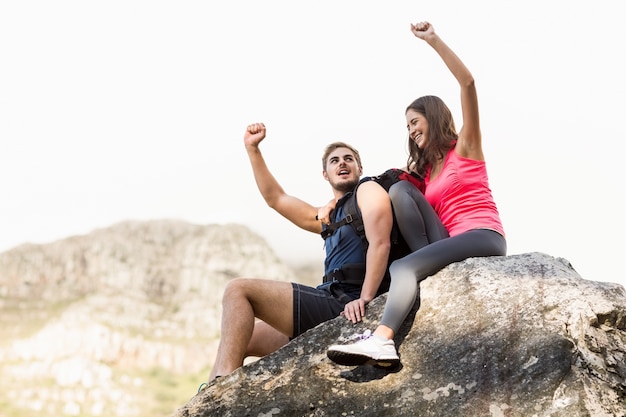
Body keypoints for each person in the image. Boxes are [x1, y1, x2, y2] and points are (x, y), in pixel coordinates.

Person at [326, 21, 507, 368]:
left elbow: (468, 83)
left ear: (433, 117)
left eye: (414, 121)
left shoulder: (467, 148)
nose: (411, 130)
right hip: (449, 241)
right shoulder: (426, 173)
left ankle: (381, 340)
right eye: (407, 126)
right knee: (400, 189)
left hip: (483, 235)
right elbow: (403, 201)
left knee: (402, 266)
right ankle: (423, 268)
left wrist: (433, 40)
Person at [204, 122, 397, 385]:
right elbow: (276, 199)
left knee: (237, 289)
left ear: (359, 168)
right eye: (335, 161)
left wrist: (365, 299)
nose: (342, 163)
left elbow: (380, 244)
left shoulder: (368, 191)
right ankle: (207, 394)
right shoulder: (325, 215)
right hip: (327, 298)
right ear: (325, 174)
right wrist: (253, 149)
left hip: (347, 304)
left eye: (349, 159)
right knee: (238, 337)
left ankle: (222, 388)